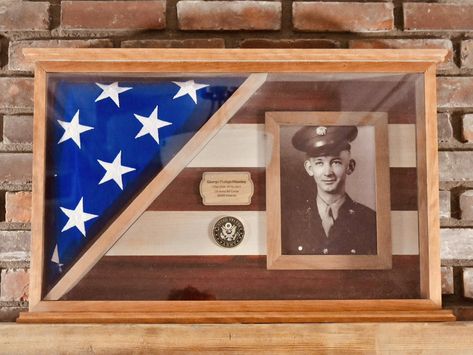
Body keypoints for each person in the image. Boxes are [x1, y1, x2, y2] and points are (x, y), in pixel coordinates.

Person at [281, 125, 377, 256]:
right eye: (319, 163)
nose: (327, 172)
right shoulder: (291, 221)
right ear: (309, 168)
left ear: (350, 166)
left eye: (336, 162)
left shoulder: (370, 221)